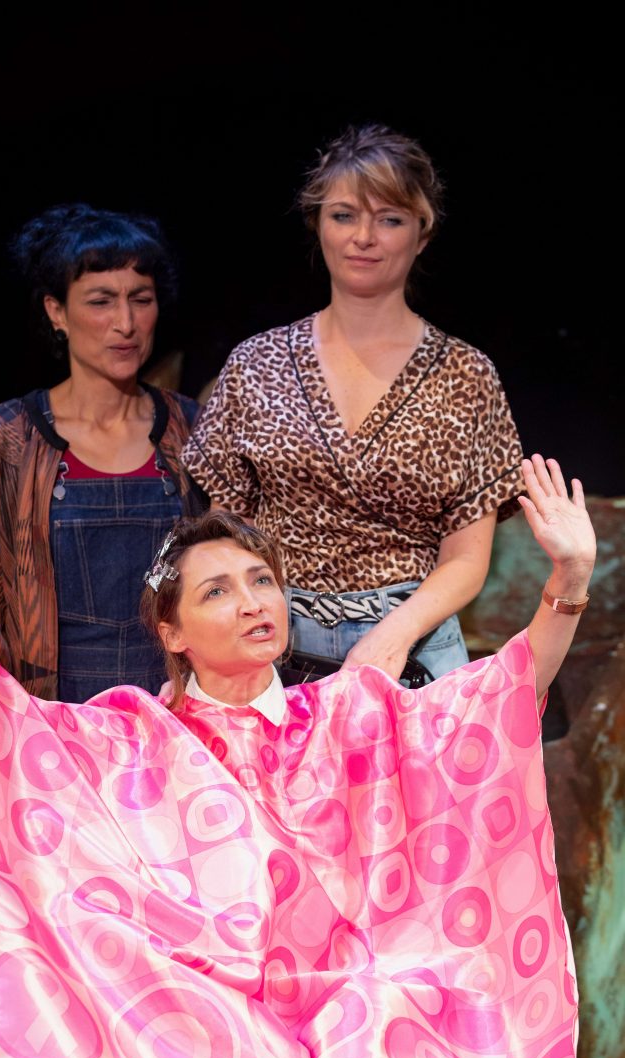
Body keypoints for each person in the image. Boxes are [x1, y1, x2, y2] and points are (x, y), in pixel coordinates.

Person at [0, 454, 595, 1058]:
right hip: (208, 1015)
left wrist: (571, 584)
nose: (252, 601)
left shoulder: (348, 711)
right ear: (171, 631)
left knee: (374, 1044)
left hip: (349, 995)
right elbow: (1, 726)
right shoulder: (131, 738)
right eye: (218, 590)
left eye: (261, 580)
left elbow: (509, 691)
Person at [0, 204, 206, 909]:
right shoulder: (7, 443)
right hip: (52, 741)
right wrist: (15, 744)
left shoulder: (190, 431)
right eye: (100, 301)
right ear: (55, 312)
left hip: (172, 735)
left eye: (141, 299)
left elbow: (226, 582)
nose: (125, 323)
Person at [181, 123, 524, 687]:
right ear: (318, 225)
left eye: (389, 219)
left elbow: (467, 557)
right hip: (275, 650)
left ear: (423, 232)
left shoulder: (466, 375)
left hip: (414, 650)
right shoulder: (256, 363)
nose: (364, 236)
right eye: (344, 215)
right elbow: (227, 534)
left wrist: (392, 635)